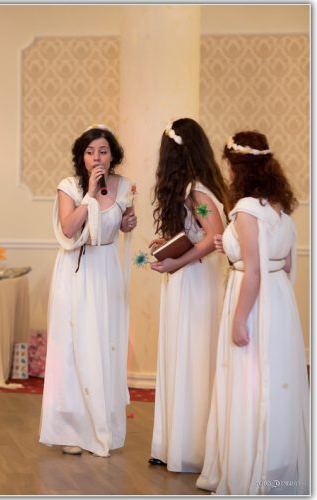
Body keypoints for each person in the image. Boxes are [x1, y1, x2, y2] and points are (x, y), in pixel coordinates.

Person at [196, 132, 308, 495]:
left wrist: (240, 319)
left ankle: (248, 470)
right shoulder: (278, 206)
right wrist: (229, 246)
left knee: (248, 382)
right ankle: (278, 469)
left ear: (237, 168)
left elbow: (254, 271)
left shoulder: (245, 208)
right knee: (274, 382)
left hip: (253, 299)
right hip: (280, 300)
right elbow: (284, 262)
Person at [38, 124, 137, 458]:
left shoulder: (125, 186)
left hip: (106, 269)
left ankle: (101, 423)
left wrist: (127, 223)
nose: (97, 158)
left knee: (104, 343)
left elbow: (121, 224)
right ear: (81, 157)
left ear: (113, 156)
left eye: (103, 151)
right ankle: (71, 428)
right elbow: (68, 228)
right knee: (73, 345)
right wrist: (90, 194)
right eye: (90, 152)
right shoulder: (69, 186)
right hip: (76, 272)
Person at [147, 118, 228, 472]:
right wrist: (168, 244)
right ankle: (175, 443)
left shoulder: (197, 192)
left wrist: (178, 261)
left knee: (192, 356)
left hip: (195, 282)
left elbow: (214, 236)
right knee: (181, 355)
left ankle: (192, 447)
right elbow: (198, 233)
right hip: (187, 278)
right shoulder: (197, 190)